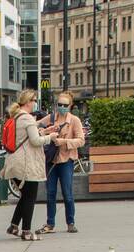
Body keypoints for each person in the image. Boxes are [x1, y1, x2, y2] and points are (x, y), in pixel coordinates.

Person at [2, 89, 54, 241]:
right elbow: (35, 141)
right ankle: (26, 231)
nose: (36, 103)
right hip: (25, 164)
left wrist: (43, 132)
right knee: (30, 197)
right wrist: (50, 137)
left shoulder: (18, 116)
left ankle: (13, 226)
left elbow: (28, 135)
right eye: (34, 100)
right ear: (29, 102)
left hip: (15, 162)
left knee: (25, 196)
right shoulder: (27, 118)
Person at [38, 89, 86, 234]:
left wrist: (64, 141)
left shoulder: (74, 121)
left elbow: (81, 140)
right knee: (50, 192)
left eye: (65, 105)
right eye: (60, 104)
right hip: (51, 160)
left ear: (70, 106)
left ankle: (70, 222)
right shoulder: (51, 118)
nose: (62, 107)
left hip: (66, 160)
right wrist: (45, 133)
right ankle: (50, 223)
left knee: (67, 192)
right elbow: (36, 126)